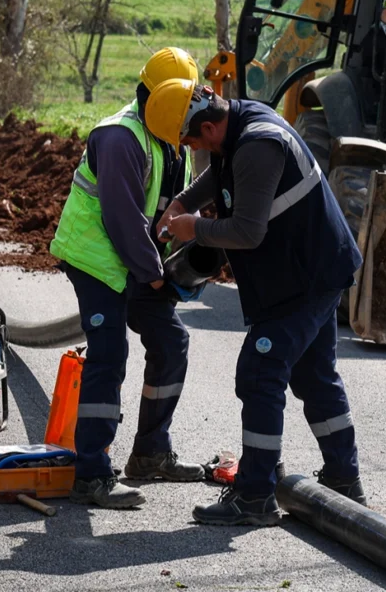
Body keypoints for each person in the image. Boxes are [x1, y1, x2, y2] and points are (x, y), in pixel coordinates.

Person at [147, 78, 365, 526]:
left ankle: (255, 495)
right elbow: (219, 175)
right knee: (314, 375)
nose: (191, 148)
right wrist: (184, 202)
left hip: (305, 278)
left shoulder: (258, 146)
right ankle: (344, 480)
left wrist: (193, 228)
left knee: (260, 372)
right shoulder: (237, 123)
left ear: (208, 128)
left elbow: (247, 231)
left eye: (190, 140)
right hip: (311, 269)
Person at [48, 48, 208, 509]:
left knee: (170, 342)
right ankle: (91, 473)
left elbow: (165, 208)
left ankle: (151, 452)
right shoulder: (120, 137)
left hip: (135, 261)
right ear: (154, 96)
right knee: (109, 353)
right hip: (96, 260)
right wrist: (156, 277)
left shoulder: (168, 137)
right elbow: (123, 221)